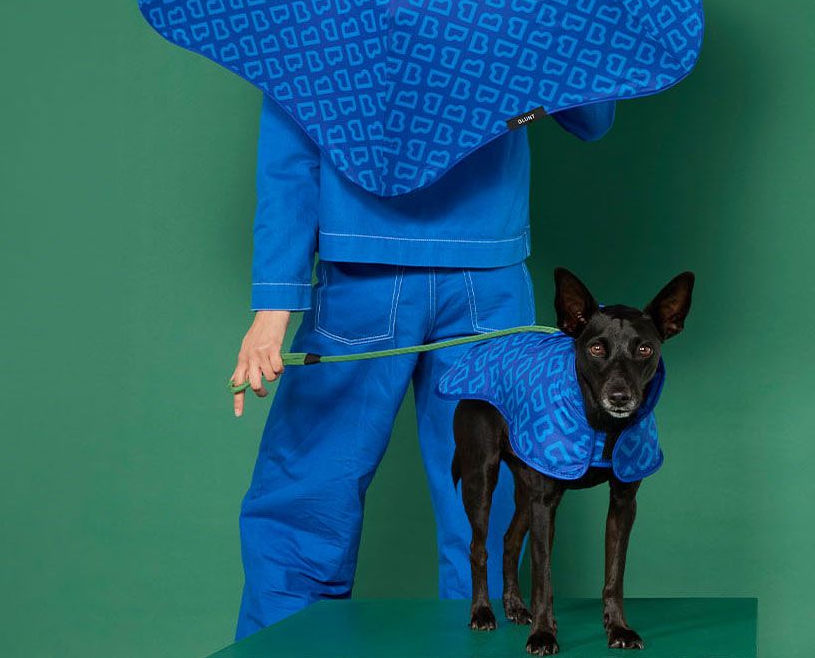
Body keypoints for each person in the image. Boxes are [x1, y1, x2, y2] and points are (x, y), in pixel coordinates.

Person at [231, 94, 615, 639]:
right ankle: (485, 642)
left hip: (365, 273)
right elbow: (592, 119)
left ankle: (283, 648)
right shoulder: (513, 31)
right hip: (487, 276)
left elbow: (290, 153)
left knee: (309, 493)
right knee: (488, 500)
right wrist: (519, 104)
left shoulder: (321, 35)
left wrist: (274, 305)